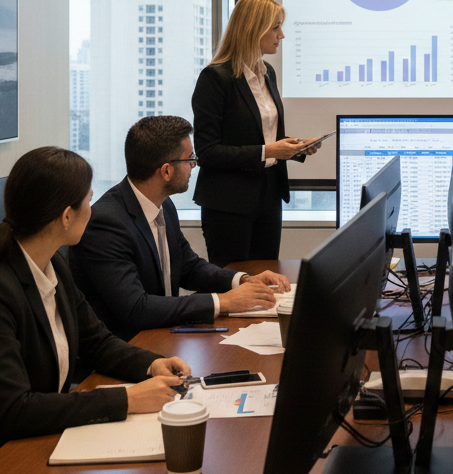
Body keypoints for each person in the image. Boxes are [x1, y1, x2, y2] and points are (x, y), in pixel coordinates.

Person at [0, 147, 190, 463]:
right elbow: (16, 409)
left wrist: (152, 365)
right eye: (88, 201)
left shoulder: (53, 264)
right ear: (67, 216)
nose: (93, 210)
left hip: (40, 438)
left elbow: (99, 343)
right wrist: (126, 399)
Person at [69, 116, 292, 342]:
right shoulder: (106, 223)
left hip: (164, 336)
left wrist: (242, 280)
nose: (193, 166)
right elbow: (137, 308)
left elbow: (189, 268)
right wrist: (223, 301)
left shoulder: (163, 203)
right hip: (127, 349)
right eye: (189, 159)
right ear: (166, 171)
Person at [191, 0, 322, 266]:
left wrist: (297, 146)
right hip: (228, 205)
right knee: (234, 287)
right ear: (253, 29)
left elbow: (265, 137)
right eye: (275, 27)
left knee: (266, 281)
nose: (281, 35)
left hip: (269, 197)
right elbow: (207, 152)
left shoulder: (268, 73)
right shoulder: (215, 78)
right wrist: (268, 151)